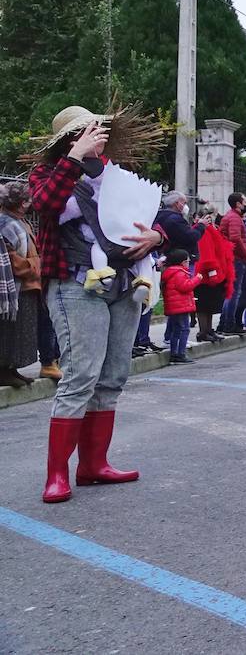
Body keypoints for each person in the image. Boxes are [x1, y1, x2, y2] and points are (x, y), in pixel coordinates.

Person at [29, 105, 166, 504]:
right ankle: (57, 475)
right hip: (75, 284)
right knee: (80, 377)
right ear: (68, 141)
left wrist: (156, 237)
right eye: (85, 131)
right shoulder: (49, 174)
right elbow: (45, 207)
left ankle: (93, 465)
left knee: (112, 377)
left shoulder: (117, 175)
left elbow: (155, 220)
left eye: (96, 129)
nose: (95, 135)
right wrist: (73, 160)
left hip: (124, 282)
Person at [0, 182, 42, 389]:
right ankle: (4, 370)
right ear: (19, 203)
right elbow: (10, 258)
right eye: (26, 200)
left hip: (26, 285)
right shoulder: (6, 223)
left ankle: (12, 369)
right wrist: (33, 265)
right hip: (15, 286)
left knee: (21, 331)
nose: (29, 203)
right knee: (11, 331)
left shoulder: (19, 221)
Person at [193, 212, 233, 344]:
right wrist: (212, 271)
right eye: (208, 216)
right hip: (206, 275)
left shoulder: (212, 230)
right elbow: (206, 253)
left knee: (210, 304)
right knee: (204, 305)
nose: (210, 218)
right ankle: (203, 331)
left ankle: (208, 329)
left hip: (213, 272)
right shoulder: (203, 232)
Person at [159, 248, 201, 364]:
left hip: (174, 306)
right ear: (182, 262)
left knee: (176, 330)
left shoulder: (170, 272)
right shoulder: (179, 273)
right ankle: (180, 353)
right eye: (187, 261)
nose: (188, 264)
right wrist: (197, 279)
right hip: (180, 306)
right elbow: (185, 287)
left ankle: (174, 353)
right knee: (184, 329)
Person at [217, 192, 246, 335]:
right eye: (245, 201)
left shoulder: (230, 216)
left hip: (232, 257)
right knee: (233, 293)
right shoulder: (235, 218)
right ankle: (229, 325)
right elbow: (236, 239)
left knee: (231, 292)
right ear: (238, 204)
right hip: (236, 259)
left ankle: (224, 324)